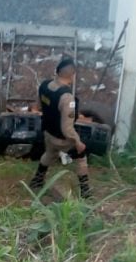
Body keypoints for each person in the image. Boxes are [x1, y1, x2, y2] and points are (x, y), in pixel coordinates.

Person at [29, 58, 92, 199]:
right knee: (82, 155)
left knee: (49, 154)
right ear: (73, 75)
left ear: (57, 72)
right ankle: (86, 191)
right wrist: (78, 142)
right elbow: (67, 129)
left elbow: (38, 106)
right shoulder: (67, 98)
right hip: (61, 138)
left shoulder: (44, 86)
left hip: (48, 133)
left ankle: (37, 180)